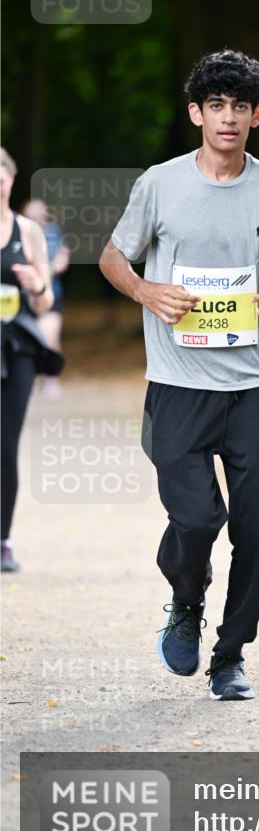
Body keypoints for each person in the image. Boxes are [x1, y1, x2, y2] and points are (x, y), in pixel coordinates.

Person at [99, 50, 259, 700]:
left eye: (240, 106)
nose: (227, 117)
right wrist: (148, 292)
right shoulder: (160, 184)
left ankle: (229, 655)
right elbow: (113, 257)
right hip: (177, 385)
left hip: (252, 387)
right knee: (198, 520)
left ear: (256, 115)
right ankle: (185, 597)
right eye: (216, 106)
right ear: (195, 112)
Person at [1, 149, 57, 572]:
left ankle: (2, 540)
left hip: (15, 349)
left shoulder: (28, 232)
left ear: (11, 179)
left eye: (0, 174)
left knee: (5, 447)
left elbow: (45, 302)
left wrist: (37, 283)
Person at [21, 198, 69, 399]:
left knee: (49, 337)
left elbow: (62, 259)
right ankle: (27, 379)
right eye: (32, 215)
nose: (37, 218)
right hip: (21, 298)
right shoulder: (15, 232)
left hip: (51, 295)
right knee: (25, 340)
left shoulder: (55, 233)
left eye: (40, 214)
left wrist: (50, 268)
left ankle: (50, 379)